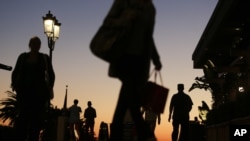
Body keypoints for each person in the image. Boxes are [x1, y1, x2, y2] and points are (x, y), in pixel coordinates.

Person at [103, 0, 162, 140]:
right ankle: (143, 132)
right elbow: (108, 23)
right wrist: (125, 19)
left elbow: (149, 37)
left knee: (126, 98)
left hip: (140, 61)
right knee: (130, 96)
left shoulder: (149, 8)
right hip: (124, 57)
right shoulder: (124, 3)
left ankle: (120, 132)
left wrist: (155, 58)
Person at [11, 36, 55, 141]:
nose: (36, 45)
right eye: (34, 43)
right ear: (30, 45)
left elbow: (51, 74)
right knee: (22, 121)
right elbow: (15, 71)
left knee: (35, 124)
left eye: (38, 43)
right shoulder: (22, 57)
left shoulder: (44, 58)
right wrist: (16, 86)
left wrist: (50, 87)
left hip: (39, 95)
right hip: (24, 94)